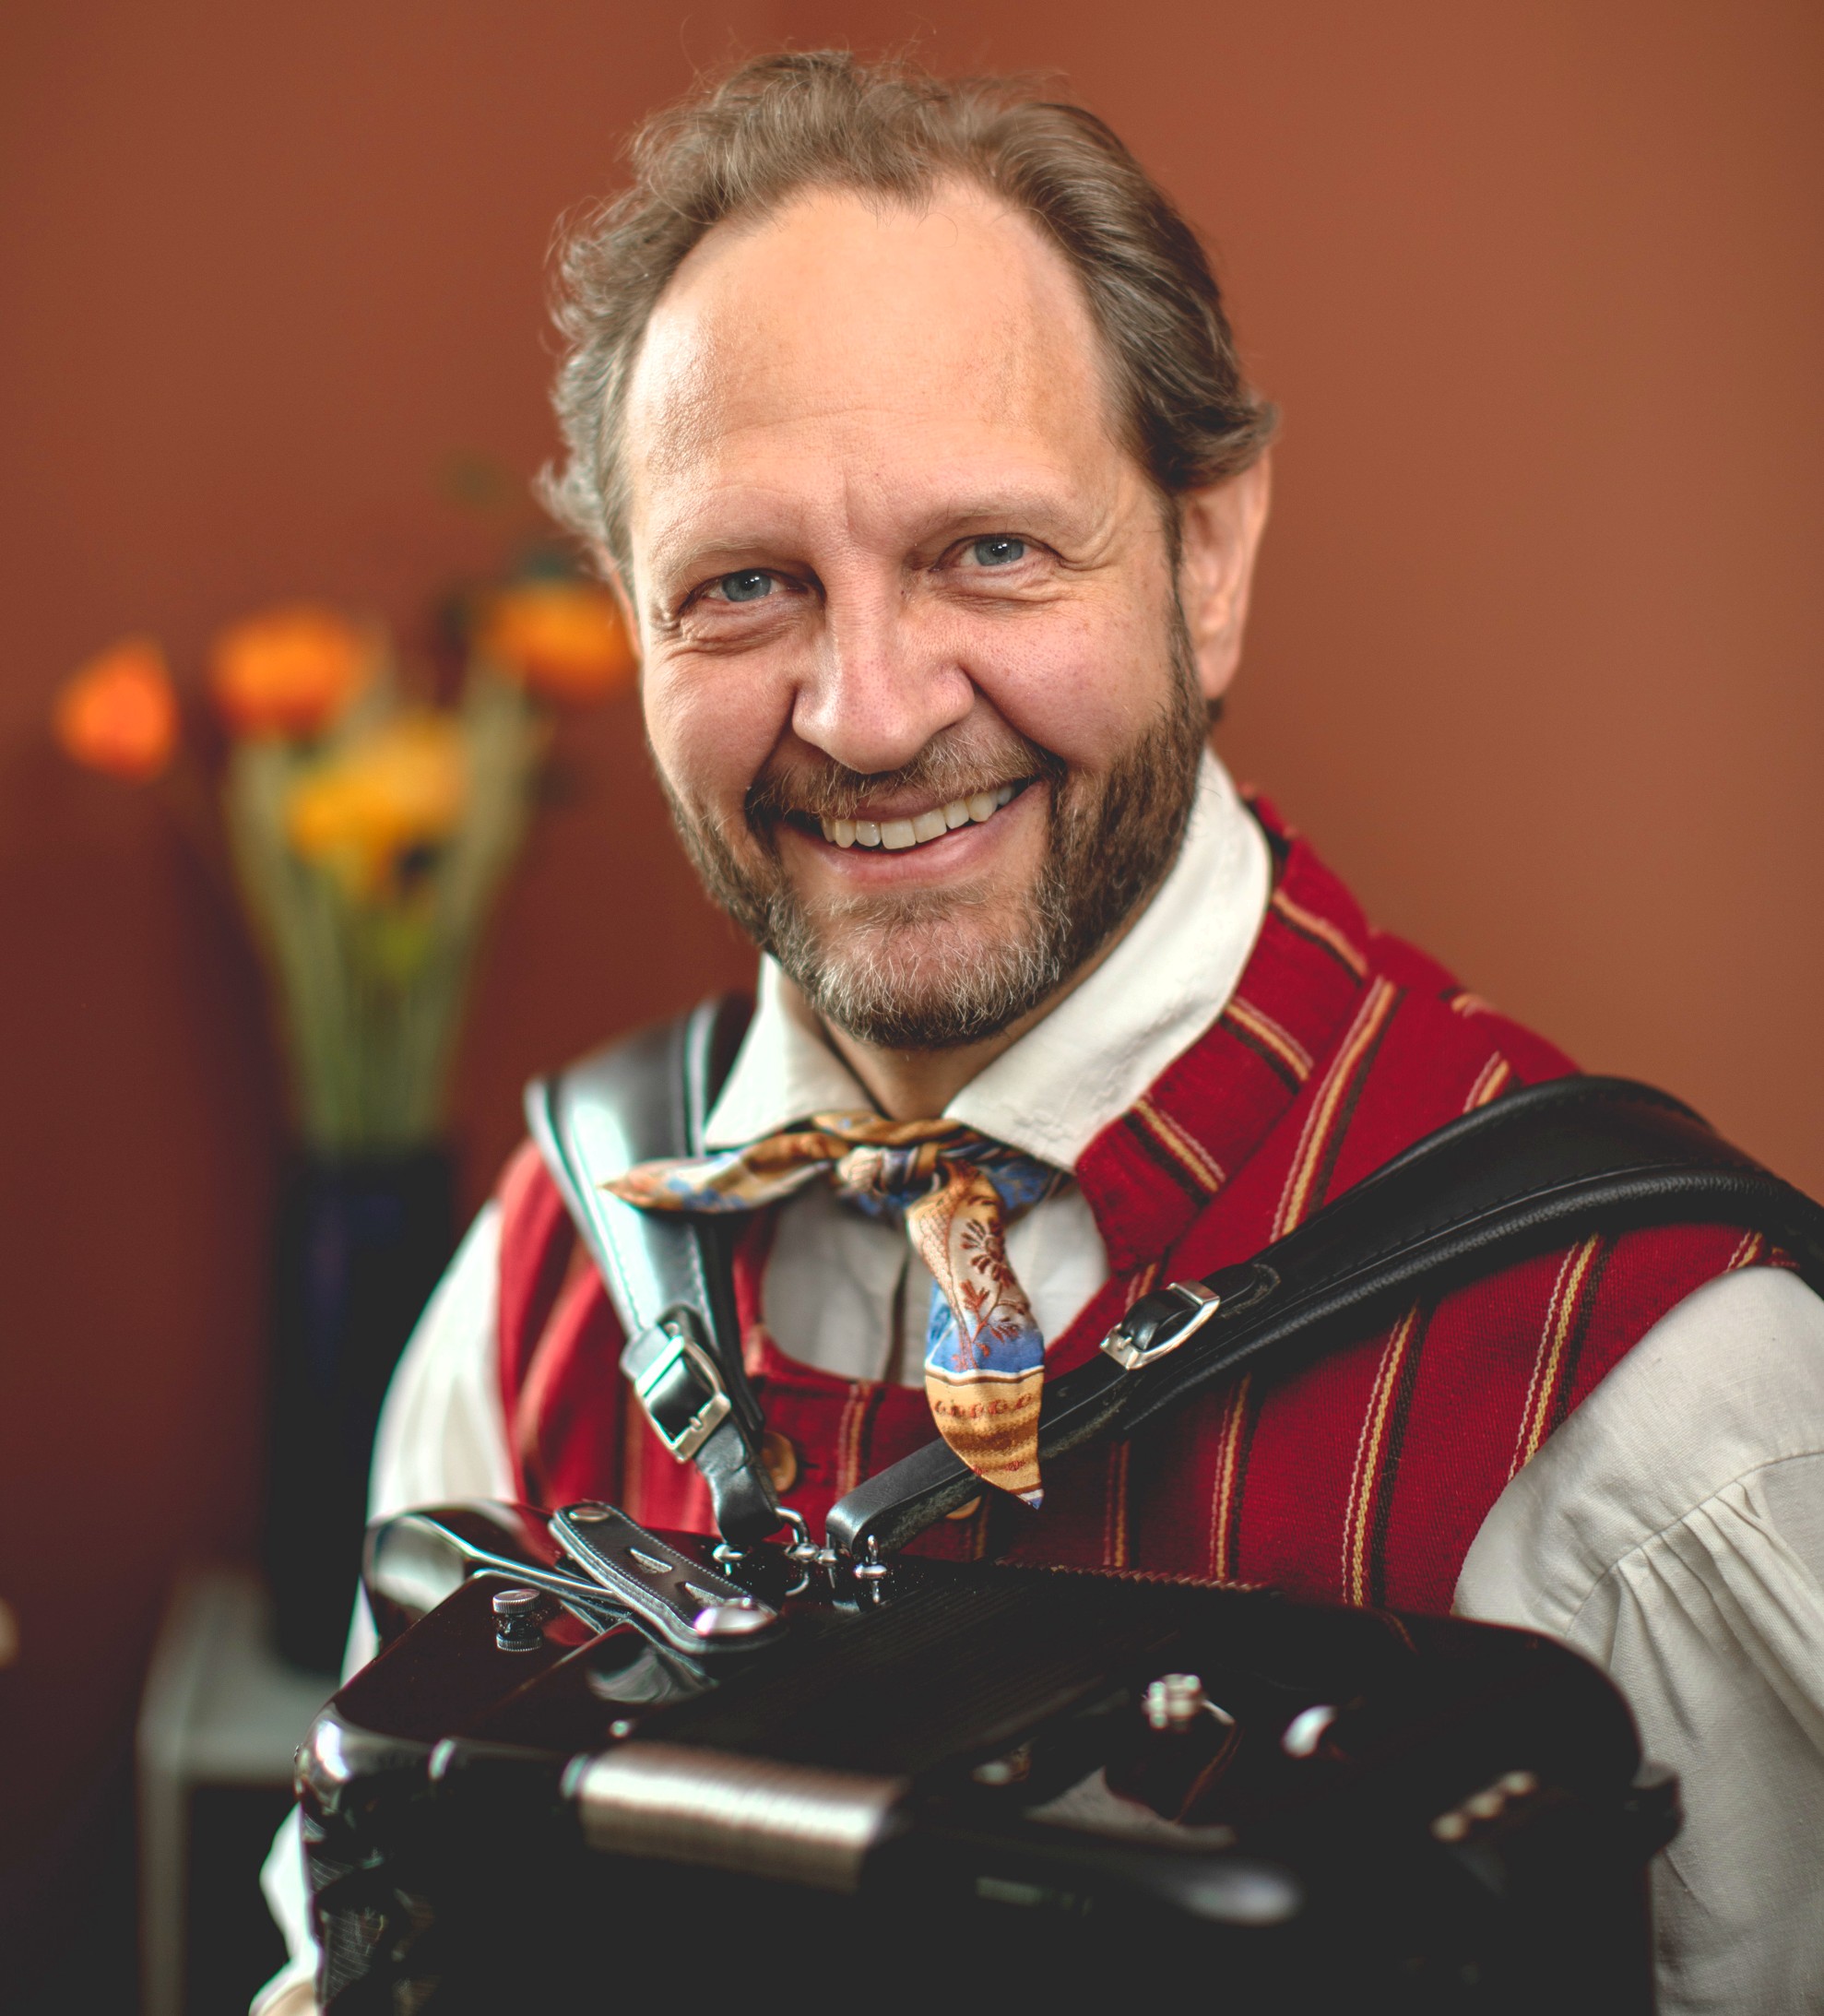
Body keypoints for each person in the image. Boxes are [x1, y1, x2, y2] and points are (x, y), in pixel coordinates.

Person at [256, 51, 1824, 2016]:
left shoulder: (1664, 1400)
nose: (869, 711)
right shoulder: (540, 1285)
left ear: (1203, 559)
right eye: (743, 586)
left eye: (987, 550)